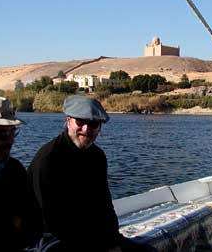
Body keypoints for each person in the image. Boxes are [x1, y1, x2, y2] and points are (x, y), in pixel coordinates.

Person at [28, 95, 151, 252]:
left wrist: (113, 241)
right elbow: (48, 220)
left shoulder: (97, 156)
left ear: (99, 127)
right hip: (50, 237)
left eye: (93, 124)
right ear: (68, 121)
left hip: (87, 232)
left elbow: (104, 205)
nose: (86, 130)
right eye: (80, 122)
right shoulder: (48, 159)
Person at [0, 96, 42, 251]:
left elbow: (32, 224)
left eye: (12, 132)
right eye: (2, 134)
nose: (9, 141)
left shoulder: (14, 169)